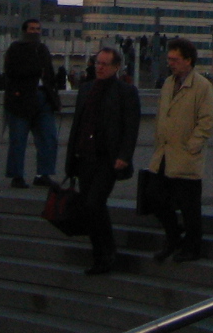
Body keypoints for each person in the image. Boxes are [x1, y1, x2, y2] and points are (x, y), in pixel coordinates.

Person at [64, 46, 141, 274]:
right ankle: (100, 253)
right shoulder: (86, 89)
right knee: (90, 207)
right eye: (97, 63)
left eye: (105, 64)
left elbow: (131, 127)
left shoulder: (126, 92)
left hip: (108, 159)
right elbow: (78, 124)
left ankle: (107, 253)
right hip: (85, 156)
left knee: (94, 203)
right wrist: (72, 156)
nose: (99, 67)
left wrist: (124, 156)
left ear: (116, 67)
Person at [148, 36, 213, 263]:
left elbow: (208, 120)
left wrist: (193, 145)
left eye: (175, 59)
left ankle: (192, 247)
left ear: (188, 60)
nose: (170, 63)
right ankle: (173, 237)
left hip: (186, 156)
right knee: (155, 198)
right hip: (164, 153)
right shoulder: (168, 83)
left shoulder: (202, 86)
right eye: (169, 59)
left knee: (189, 206)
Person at [3, 18, 59, 188]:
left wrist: (52, 92)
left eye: (38, 29)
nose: (35, 32)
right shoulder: (15, 48)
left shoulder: (43, 48)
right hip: (21, 99)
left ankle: (43, 174)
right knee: (18, 140)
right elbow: (11, 72)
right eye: (32, 29)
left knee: (49, 138)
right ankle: (17, 176)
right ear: (25, 31)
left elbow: (49, 73)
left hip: (43, 97)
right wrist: (34, 71)